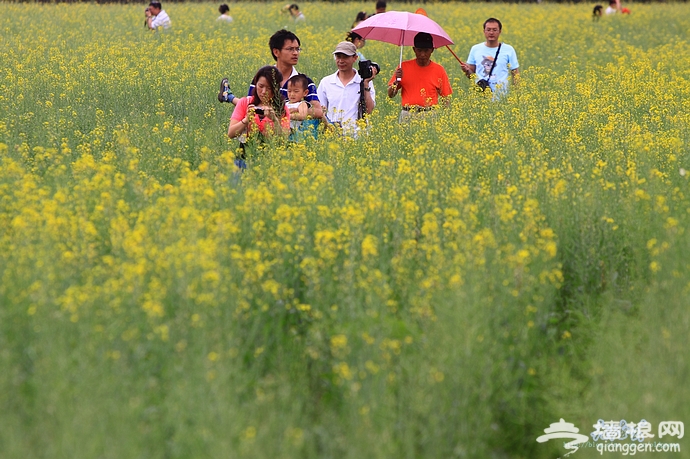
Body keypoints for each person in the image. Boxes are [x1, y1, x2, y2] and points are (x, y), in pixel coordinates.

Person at [218, 30, 323, 121]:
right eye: (290, 49)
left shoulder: (305, 81)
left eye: (297, 49)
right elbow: (250, 105)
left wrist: (299, 109)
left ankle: (229, 96)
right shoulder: (262, 78)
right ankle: (229, 96)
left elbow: (319, 111)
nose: (295, 53)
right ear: (276, 52)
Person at [227, 66, 290, 169]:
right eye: (260, 86)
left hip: (270, 163)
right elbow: (231, 133)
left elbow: (283, 139)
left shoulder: (281, 109)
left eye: (269, 88)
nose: (263, 91)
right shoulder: (245, 103)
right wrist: (246, 120)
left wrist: (274, 119)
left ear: (276, 89)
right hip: (244, 160)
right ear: (255, 84)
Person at [387, 32, 452, 122]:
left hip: (429, 114)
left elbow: (446, 97)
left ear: (432, 50)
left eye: (426, 51)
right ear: (414, 49)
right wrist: (396, 82)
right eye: (419, 50)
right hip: (407, 114)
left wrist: (446, 119)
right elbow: (391, 94)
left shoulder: (439, 70)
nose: (422, 54)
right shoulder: (403, 67)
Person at [317, 41, 377, 137]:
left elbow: (369, 111)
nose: (341, 61)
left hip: (359, 136)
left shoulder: (363, 81)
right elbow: (320, 111)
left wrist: (366, 83)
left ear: (355, 58)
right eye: (338, 57)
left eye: (345, 57)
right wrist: (329, 128)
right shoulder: (326, 82)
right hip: (334, 136)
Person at [461, 18, 520, 96]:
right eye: (488, 30)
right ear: (484, 31)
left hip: (502, 97)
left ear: (500, 32)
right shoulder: (475, 49)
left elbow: (515, 74)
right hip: (480, 96)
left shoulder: (509, 49)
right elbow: (472, 75)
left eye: (495, 30)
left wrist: (517, 95)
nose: (491, 33)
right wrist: (466, 71)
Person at [286, 74, 318, 140]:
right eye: (289, 91)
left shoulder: (302, 104)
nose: (292, 94)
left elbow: (303, 115)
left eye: (296, 91)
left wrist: (288, 115)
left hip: (293, 132)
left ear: (305, 93)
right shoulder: (285, 103)